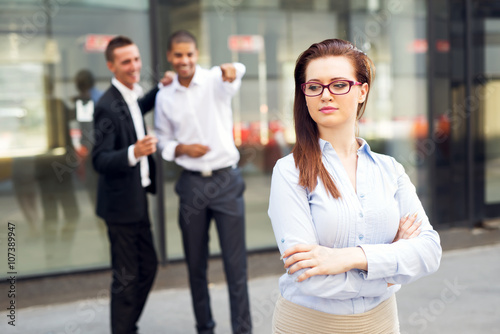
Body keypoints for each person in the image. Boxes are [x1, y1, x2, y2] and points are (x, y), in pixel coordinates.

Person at [268, 38, 442, 333]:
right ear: (305, 95)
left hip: (382, 323)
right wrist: (393, 267)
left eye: (338, 85)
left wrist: (347, 257)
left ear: (362, 91)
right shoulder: (289, 172)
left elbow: (429, 252)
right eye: (314, 86)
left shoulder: (390, 170)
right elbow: (310, 276)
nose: (325, 95)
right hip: (309, 324)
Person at [155, 30, 252, 334]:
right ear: (170, 57)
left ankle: (242, 330)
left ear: (197, 55)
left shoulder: (215, 80)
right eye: (179, 55)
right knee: (196, 265)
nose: (185, 60)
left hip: (226, 180)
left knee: (236, 266)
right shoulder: (164, 95)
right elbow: (161, 139)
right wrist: (181, 148)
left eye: (190, 54)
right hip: (192, 184)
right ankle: (204, 328)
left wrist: (232, 69)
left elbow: (238, 71)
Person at [92, 35, 173, 334]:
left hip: (137, 200)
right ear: (111, 65)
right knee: (126, 277)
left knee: (148, 267)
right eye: (126, 61)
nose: (134, 66)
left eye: (136, 59)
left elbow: (138, 107)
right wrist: (133, 152)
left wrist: (160, 88)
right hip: (120, 206)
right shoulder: (106, 106)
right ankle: (123, 328)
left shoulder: (129, 97)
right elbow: (99, 160)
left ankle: (127, 326)